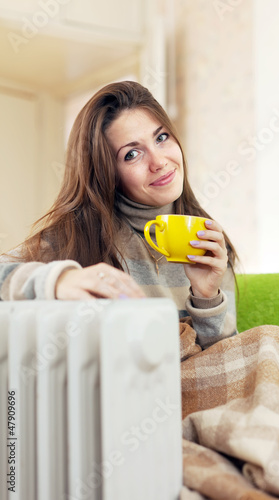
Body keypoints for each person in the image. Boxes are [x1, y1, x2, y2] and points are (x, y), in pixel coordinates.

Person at [0, 81, 238, 349]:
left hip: (195, 386)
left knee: (270, 344)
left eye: (161, 138)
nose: (159, 162)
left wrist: (207, 296)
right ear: (107, 173)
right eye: (132, 154)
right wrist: (59, 280)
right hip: (125, 386)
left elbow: (229, 367)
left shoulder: (210, 244)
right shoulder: (75, 237)